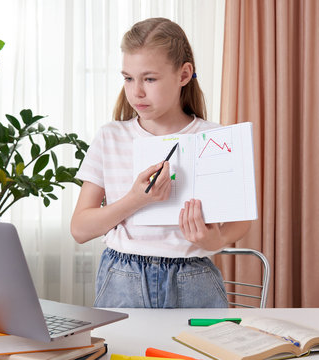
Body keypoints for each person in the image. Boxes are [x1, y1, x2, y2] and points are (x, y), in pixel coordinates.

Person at [71, 17, 251, 308]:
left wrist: (212, 240)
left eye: (149, 79)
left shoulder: (214, 137)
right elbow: (79, 229)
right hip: (122, 278)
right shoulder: (110, 137)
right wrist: (135, 200)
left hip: (194, 276)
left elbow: (241, 222)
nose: (136, 91)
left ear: (183, 74)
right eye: (128, 78)